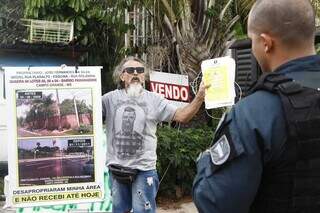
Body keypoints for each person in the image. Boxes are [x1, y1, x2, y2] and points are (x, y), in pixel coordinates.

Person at [192, 0, 320, 213]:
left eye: (251, 41)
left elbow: (215, 203)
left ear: (266, 43)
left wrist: (207, 161)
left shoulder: (254, 114)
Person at [102, 56, 207, 213]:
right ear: (122, 76)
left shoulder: (154, 100)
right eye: (130, 70)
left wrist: (199, 97)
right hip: (117, 170)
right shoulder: (109, 99)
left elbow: (182, 115)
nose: (135, 74)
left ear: (144, 76)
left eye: (140, 71)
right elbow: (87, 114)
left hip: (144, 172)